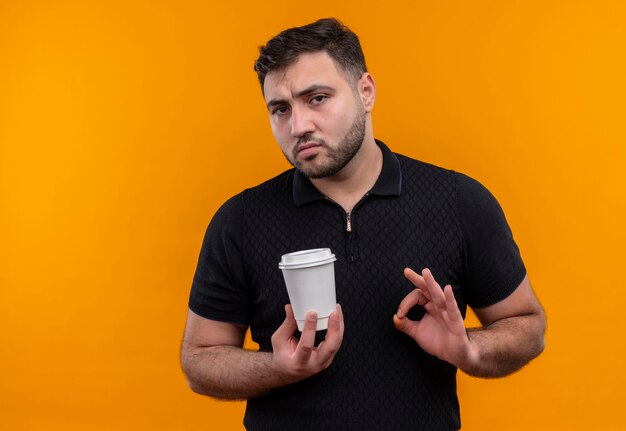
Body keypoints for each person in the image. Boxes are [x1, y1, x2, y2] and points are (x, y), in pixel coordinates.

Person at [181, 18, 546, 431]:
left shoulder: (459, 201)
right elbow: (199, 360)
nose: (298, 126)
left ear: (365, 92)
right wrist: (279, 367)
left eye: (317, 98)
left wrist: (469, 349)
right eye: (280, 109)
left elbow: (527, 325)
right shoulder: (241, 220)